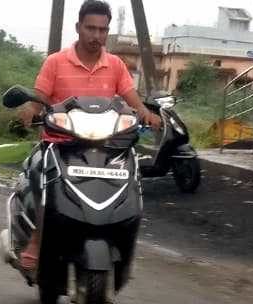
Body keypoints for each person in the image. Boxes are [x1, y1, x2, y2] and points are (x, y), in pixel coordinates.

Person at [14, 0, 162, 271]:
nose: (96, 35)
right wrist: (29, 112)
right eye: (91, 28)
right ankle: (37, 238)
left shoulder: (115, 65)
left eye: (102, 30)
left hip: (105, 146)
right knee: (38, 170)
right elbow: (39, 100)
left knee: (132, 177)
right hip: (60, 143)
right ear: (78, 27)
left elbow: (132, 99)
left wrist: (146, 113)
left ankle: (121, 241)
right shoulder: (56, 62)